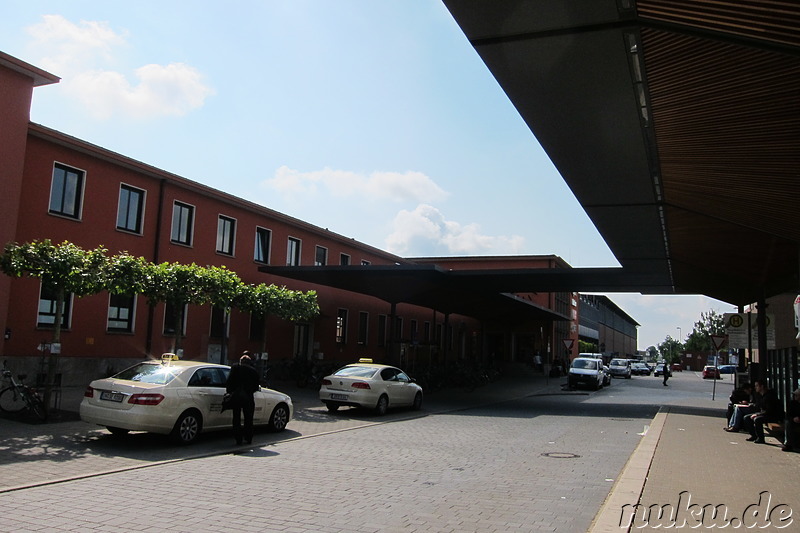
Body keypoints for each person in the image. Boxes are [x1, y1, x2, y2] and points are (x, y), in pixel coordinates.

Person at [225, 352, 260, 445]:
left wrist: (230, 391)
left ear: (240, 361)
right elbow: (256, 386)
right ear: (249, 362)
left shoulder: (235, 368)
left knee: (236, 418)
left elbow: (229, 381)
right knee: (248, 418)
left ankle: (238, 439)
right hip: (248, 397)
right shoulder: (253, 371)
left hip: (236, 397)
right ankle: (248, 438)